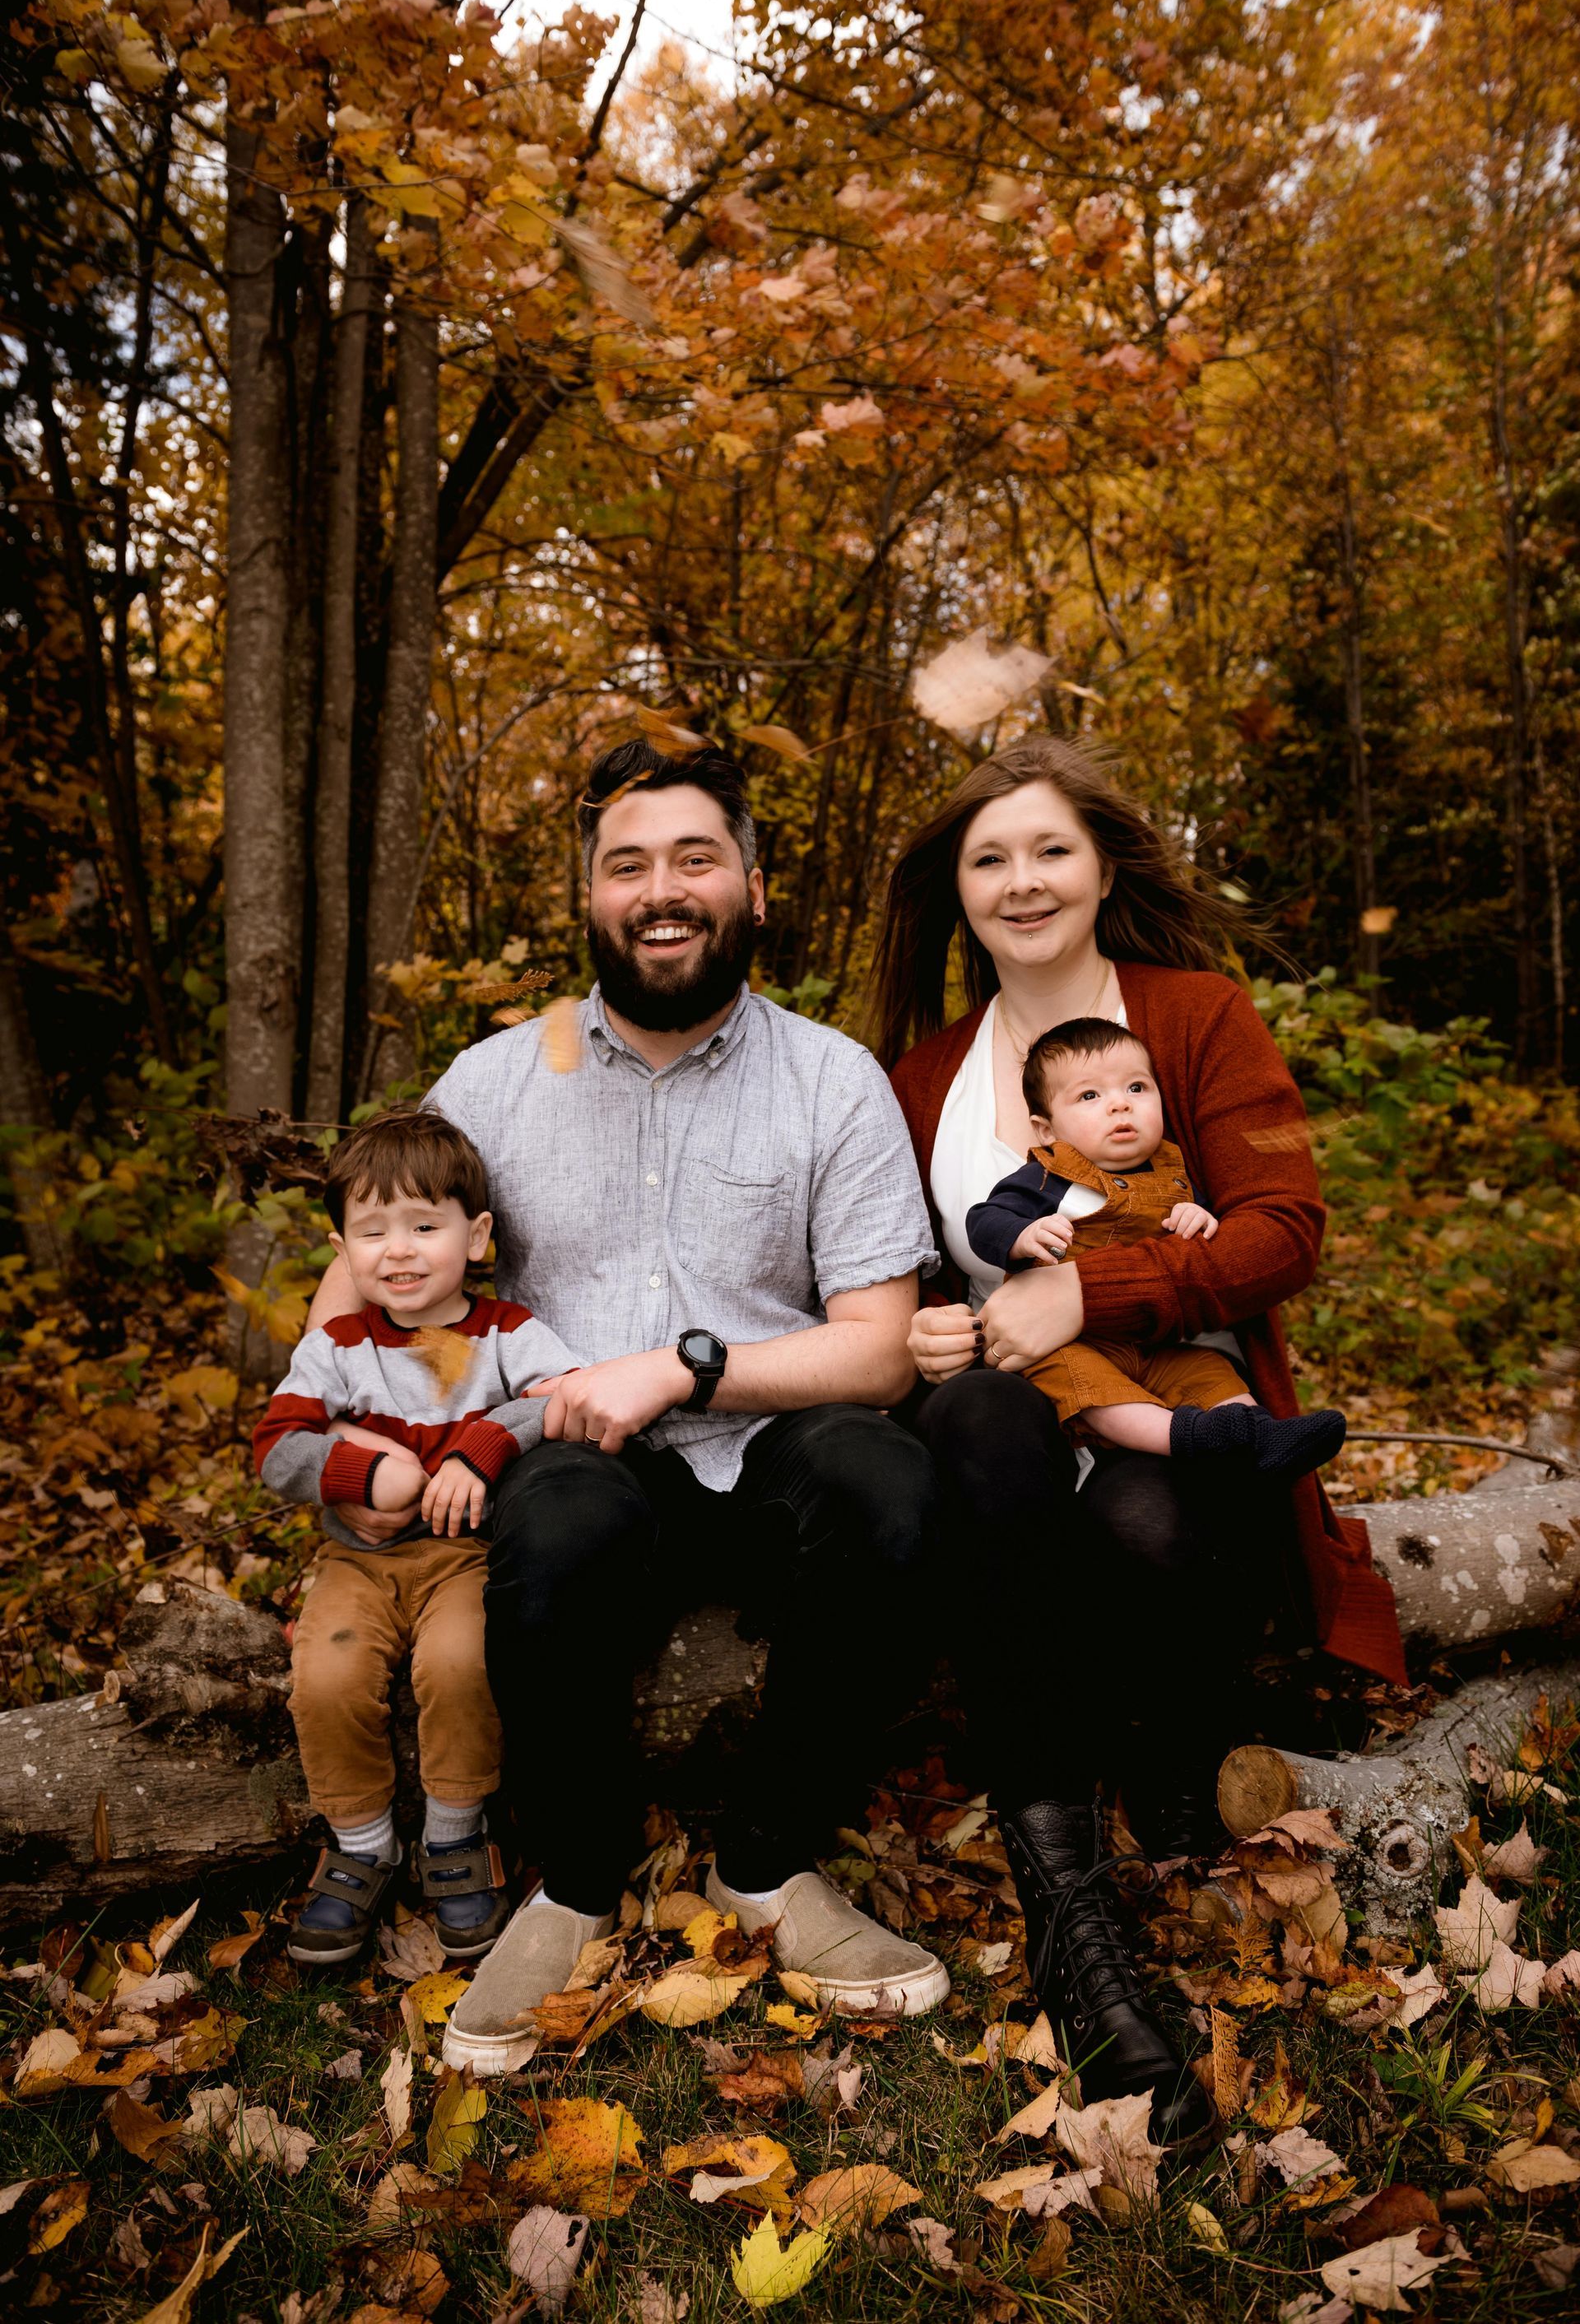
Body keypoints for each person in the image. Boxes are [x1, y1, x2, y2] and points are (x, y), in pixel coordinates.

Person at [304, 738, 951, 2076]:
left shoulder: (834, 1079)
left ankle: (768, 1864)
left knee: (890, 1482)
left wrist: (687, 1367)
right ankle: (582, 1880)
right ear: (592, 899)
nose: (662, 889)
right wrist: (344, 1436)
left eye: (695, 858)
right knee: (548, 1515)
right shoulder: (494, 1079)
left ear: (755, 889)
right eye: (628, 864)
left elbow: (882, 1350)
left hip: (772, 1439)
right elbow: (356, 1279)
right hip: (583, 1466)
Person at [876, 735, 1405, 2141]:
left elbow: (1284, 1231)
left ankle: (1169, 1737)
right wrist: (930, 1325)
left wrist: (1091, 1286)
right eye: (989, 857)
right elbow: (906, 1273)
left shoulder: (1195, 1013)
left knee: (1149, 1520)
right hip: (1012, 1426)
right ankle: (1070, 1911)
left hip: (1176, 1409)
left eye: (1050, 847)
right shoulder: (922, 1072)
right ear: (958, 892)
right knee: (981, 1413)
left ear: (1107, 863)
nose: (1022, 879)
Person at [254, 1110, 579, 1967]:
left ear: (475, 1237)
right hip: (357, 1561)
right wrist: (359, 1474)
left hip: (468, 1556)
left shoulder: (506, 1331)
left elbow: (565, 1400)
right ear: (342, 1247)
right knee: (327, 1671)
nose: (397, 1251)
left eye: (423, 1225)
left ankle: (454, 1837)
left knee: (461, 1663)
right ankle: (361, 1842)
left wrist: (483, 1444)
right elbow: (276, 1446)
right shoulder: (337, 1346)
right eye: (372, 1231)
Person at [965, 1016, 1346, 1477]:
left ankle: (1260, 1436)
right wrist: (1020, 1236)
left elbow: (1215, 1240)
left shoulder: (1174, 1172)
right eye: (1090, 1096)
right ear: (1046, 1130)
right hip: (1069, 1342)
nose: (1119, 1106)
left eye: (1137, 1089)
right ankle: (1184, 1440)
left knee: (1209, 1369)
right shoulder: (1048, 1177)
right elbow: (983, 1220)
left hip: (1157, 1340)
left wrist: (1200, 1217)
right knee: (1087, 1387)